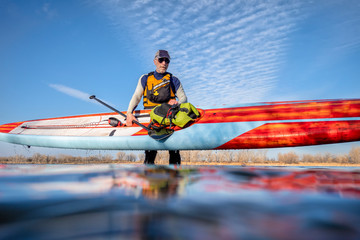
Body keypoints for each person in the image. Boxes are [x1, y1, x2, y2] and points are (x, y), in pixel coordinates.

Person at [126, 50, 187, 165]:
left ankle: (174, 179)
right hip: (151, 120)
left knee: (174, 153)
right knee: (149, 154)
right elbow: (137, 96)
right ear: (155, 61)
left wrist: (177, 103)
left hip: (169, 118)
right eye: (161, 60)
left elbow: (184, 99)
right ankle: (149, 178)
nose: (164, 63)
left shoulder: (174, 80)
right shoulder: (144, 78)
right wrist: (129, 113)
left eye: (167, 60)